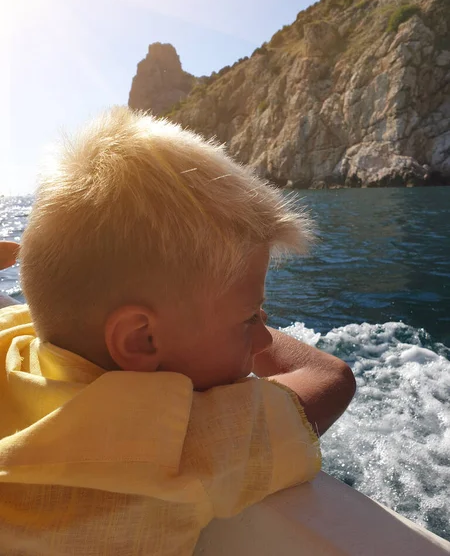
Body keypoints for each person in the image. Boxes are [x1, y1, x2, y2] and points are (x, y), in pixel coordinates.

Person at [0, 108, 355, 555]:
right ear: (140, 340)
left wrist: (232, 312)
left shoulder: (13, 336)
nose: (263, 338)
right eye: (251, 319)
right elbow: (330, 377)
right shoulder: (173, 447)